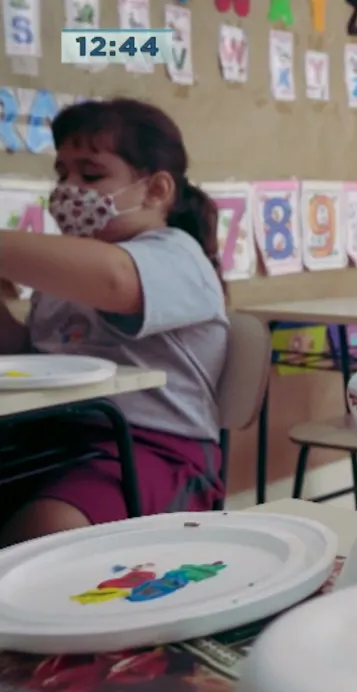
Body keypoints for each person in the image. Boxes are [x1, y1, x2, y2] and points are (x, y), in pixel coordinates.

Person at [0, 98, 228, 546]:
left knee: (47, 532)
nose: (68, 189)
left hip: (156, 449)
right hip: (54, 435)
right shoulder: (65, 270)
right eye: (61, 173)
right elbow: (24, 356)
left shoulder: (176, 255)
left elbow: (115, 278)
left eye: (90, 175)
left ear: (155, 190)